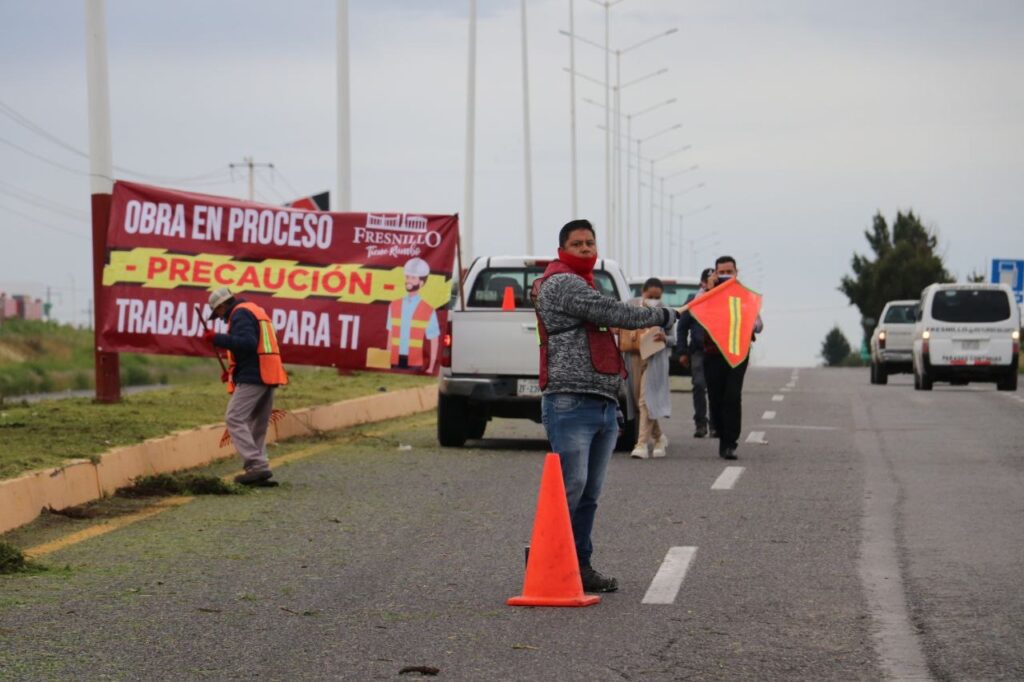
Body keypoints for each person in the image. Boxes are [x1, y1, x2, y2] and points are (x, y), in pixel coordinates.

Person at [533, 219, 679, 593]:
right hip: (570, 402)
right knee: (571, 487)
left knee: (589, 495)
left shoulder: (586, 283)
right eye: (578, 243)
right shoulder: (563, 283)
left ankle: (579, 564)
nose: (585, 249)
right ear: (562, 248)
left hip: (601, 402)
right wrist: (661, 313)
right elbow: (617, 314)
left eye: (590, 243)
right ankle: (544, 561)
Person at [204, 287, 288, 485]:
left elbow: (248, 343)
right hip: (269, 372)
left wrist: (218, 338)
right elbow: (255, 348)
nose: (220, 318)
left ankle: (256, 463)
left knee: (234, 418)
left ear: (222, 306)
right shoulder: (254, 310)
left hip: (255, 375)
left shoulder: (239, 313)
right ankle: (259, 469)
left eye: (218, 314)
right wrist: (232, 373)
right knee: (257, 424)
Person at [702, 256, 763, 460]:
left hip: (737, 353)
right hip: (713, 353)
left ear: (737, 273)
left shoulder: (745, 295)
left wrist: (749, 321)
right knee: (716, 396)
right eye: (722, 272)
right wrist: (710, 291)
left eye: (730, 271)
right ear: (715, 273)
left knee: (732, 396)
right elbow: (697, 313)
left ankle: (729, 443)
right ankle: (718, 428)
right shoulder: (705, 294)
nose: (726, 276)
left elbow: (758, 325)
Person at [623, 278, 675, 459]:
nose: (653, 299)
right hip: (634, 358)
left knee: (646, 401)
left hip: (655, 361)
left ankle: (641, 444)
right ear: (642, 292)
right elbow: (620, 324)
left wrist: (665, 338)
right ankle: (659, 437)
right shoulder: (630, 305)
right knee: (640, 402)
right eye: (650, 295)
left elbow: (673, 339)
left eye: (657, 296)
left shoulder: (666, 311)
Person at [677, 268, 715, 439]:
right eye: (710, 280)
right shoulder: (694, 300)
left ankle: (716, 424)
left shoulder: (723, 299)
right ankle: (701, 423)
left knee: (716, 387)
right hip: (698, 351)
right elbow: (682, 327)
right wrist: (682, 351)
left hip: (718, 352)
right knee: (699, 385)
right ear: (702, 282)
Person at [389, 257, 441, 373]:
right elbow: (390, 334)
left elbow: (434, 339)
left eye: (413, 278)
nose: (409, 281)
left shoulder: (428, 309)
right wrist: (386, 360)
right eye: (407, 277)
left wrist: (432, 366)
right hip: (394, 360)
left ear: (421, 282)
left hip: (414, 363)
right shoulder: (394, 305)